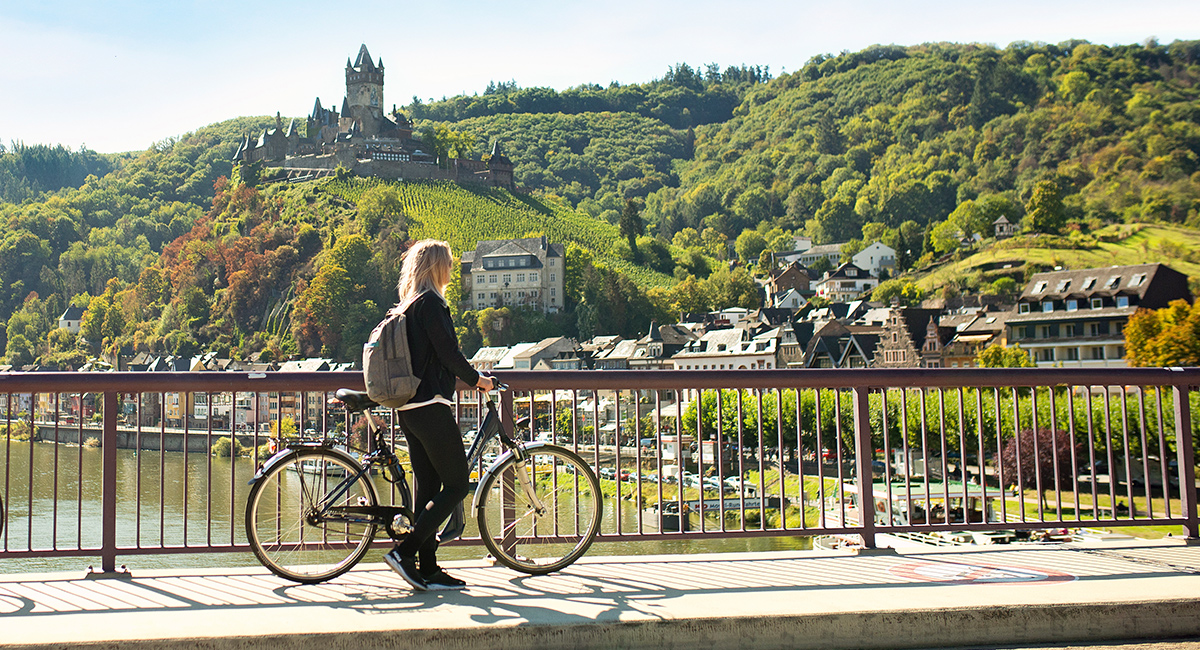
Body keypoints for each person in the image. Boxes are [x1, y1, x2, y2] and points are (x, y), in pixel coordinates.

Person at [382, 239, 494, 591]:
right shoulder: (431, 304)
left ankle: (428, 566)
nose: (452, 269)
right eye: (448, 263)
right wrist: (480, 380)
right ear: (438, 267)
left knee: (429, 488)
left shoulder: (407, 306)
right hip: (431, 405)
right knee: (458, 484)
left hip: (408, 408)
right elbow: (449, 354)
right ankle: (406, 552)